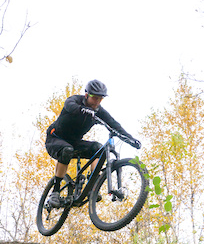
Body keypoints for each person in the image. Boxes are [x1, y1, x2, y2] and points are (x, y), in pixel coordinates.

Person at [44, 79, 140, 207]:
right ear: (86, 95)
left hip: (75, 142)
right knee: (67, 150)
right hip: (55, 139)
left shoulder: (98, 111)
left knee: (98, 149)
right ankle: (55, 192)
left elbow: (115, 125)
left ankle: (92, 186)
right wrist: (83, 110)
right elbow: (69, 105)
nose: (97, 102)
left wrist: (131, 139)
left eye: (100, 99)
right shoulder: (74, 100)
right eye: (95, 98)